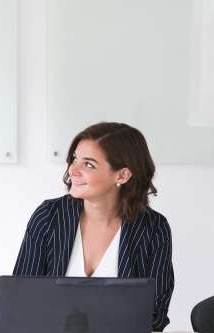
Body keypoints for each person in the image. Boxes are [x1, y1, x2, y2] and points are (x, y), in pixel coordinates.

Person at [13, 122, 174, 331]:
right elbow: (20, 299)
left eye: (88, 164)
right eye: (74, 159)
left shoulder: (154, 228)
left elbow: (155, 314)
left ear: (122, 175)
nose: (73, 170)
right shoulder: (49, 216)